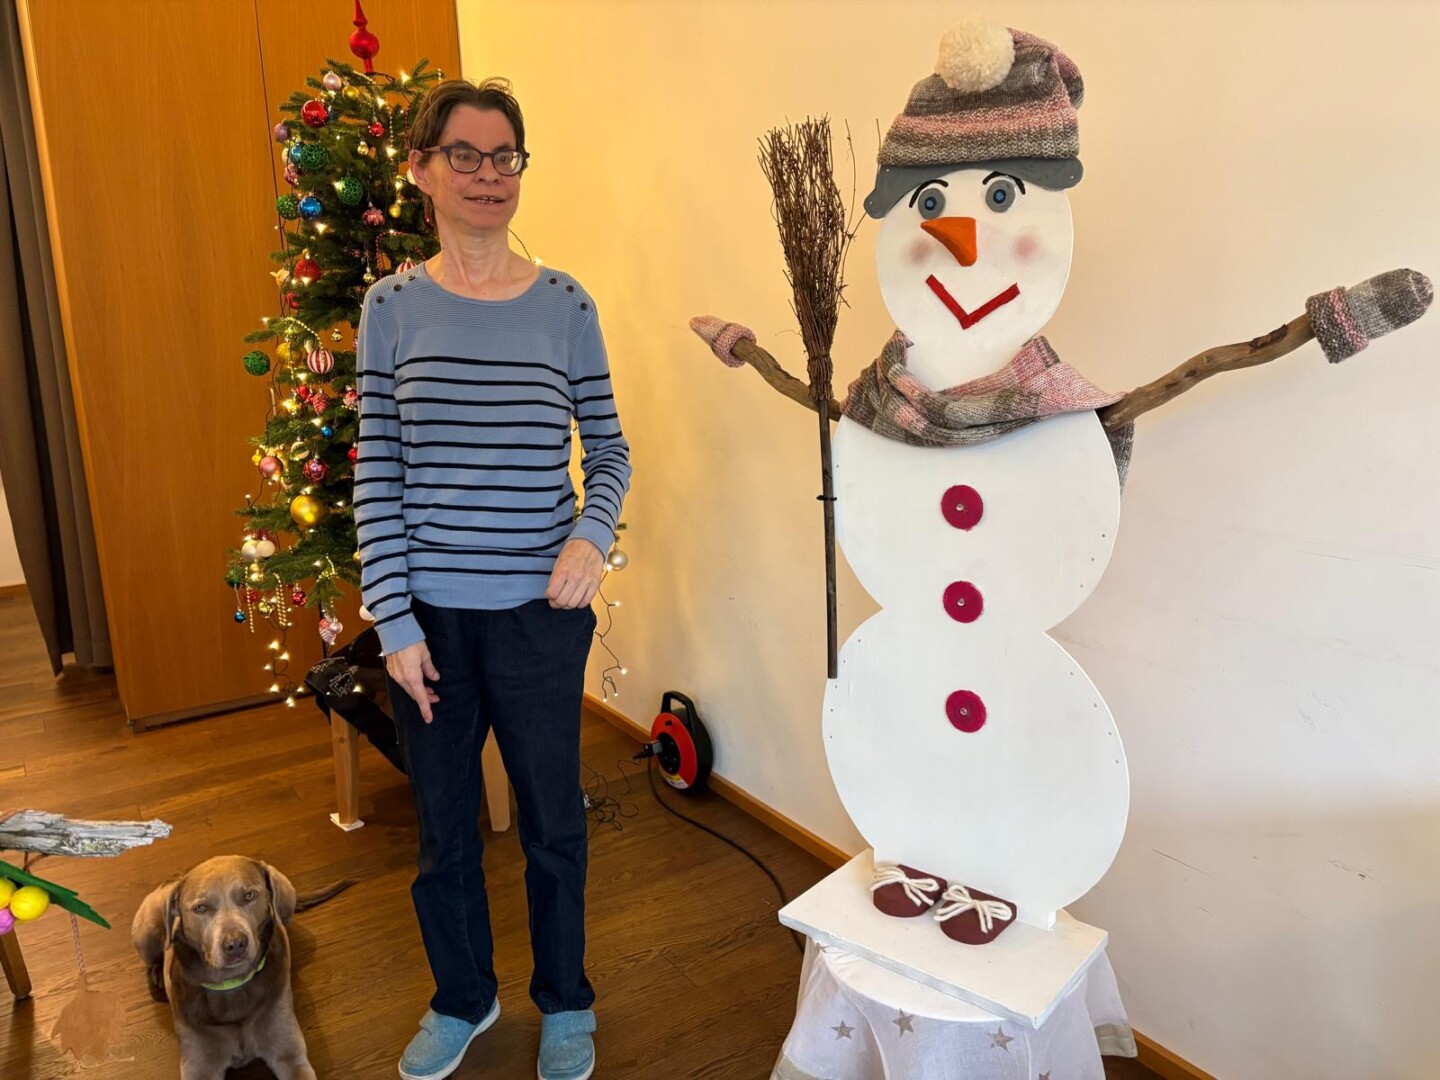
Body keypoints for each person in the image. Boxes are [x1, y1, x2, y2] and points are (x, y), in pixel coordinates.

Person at [353, 77, 629, 1080]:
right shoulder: (390, 309)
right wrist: (394, 622)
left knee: (554, 823)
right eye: (463, 155)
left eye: (503, 155)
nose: (487, 174)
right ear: (422, 170)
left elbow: (609, 449)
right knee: (445, 832)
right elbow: (377, 474)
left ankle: (566, 1000)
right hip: (430, 625)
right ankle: (464, 998)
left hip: (538, 620)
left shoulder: (566, 307)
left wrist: (591, 537)